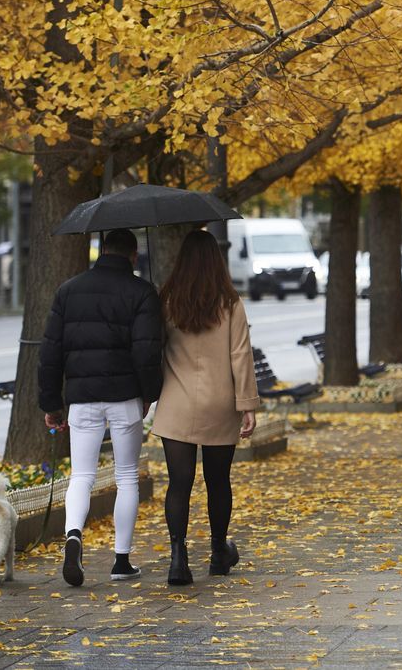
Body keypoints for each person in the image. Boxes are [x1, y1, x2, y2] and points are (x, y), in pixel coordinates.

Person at [38, 228, 164, 586]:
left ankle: (74, 536)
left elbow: (50, 353)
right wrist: (149, 393)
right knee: (126, 477)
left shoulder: (68, 290)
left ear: (101, 249)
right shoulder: (142, 292)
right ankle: (121, 561)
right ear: (133, 256)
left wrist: (51, 403)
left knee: (82, 475)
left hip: (82, 399)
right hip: (125, 397)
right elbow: (146, 351)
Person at [151, 230, 260, 586]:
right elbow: (240, 356)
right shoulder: (231, 304)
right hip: (219, 401)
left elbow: (153, 349)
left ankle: (178, 559)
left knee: (178, 483)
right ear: (218, 261)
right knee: (218, 481)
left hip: (177, 403)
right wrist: (247, 405)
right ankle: (217, 553)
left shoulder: (167, 302)